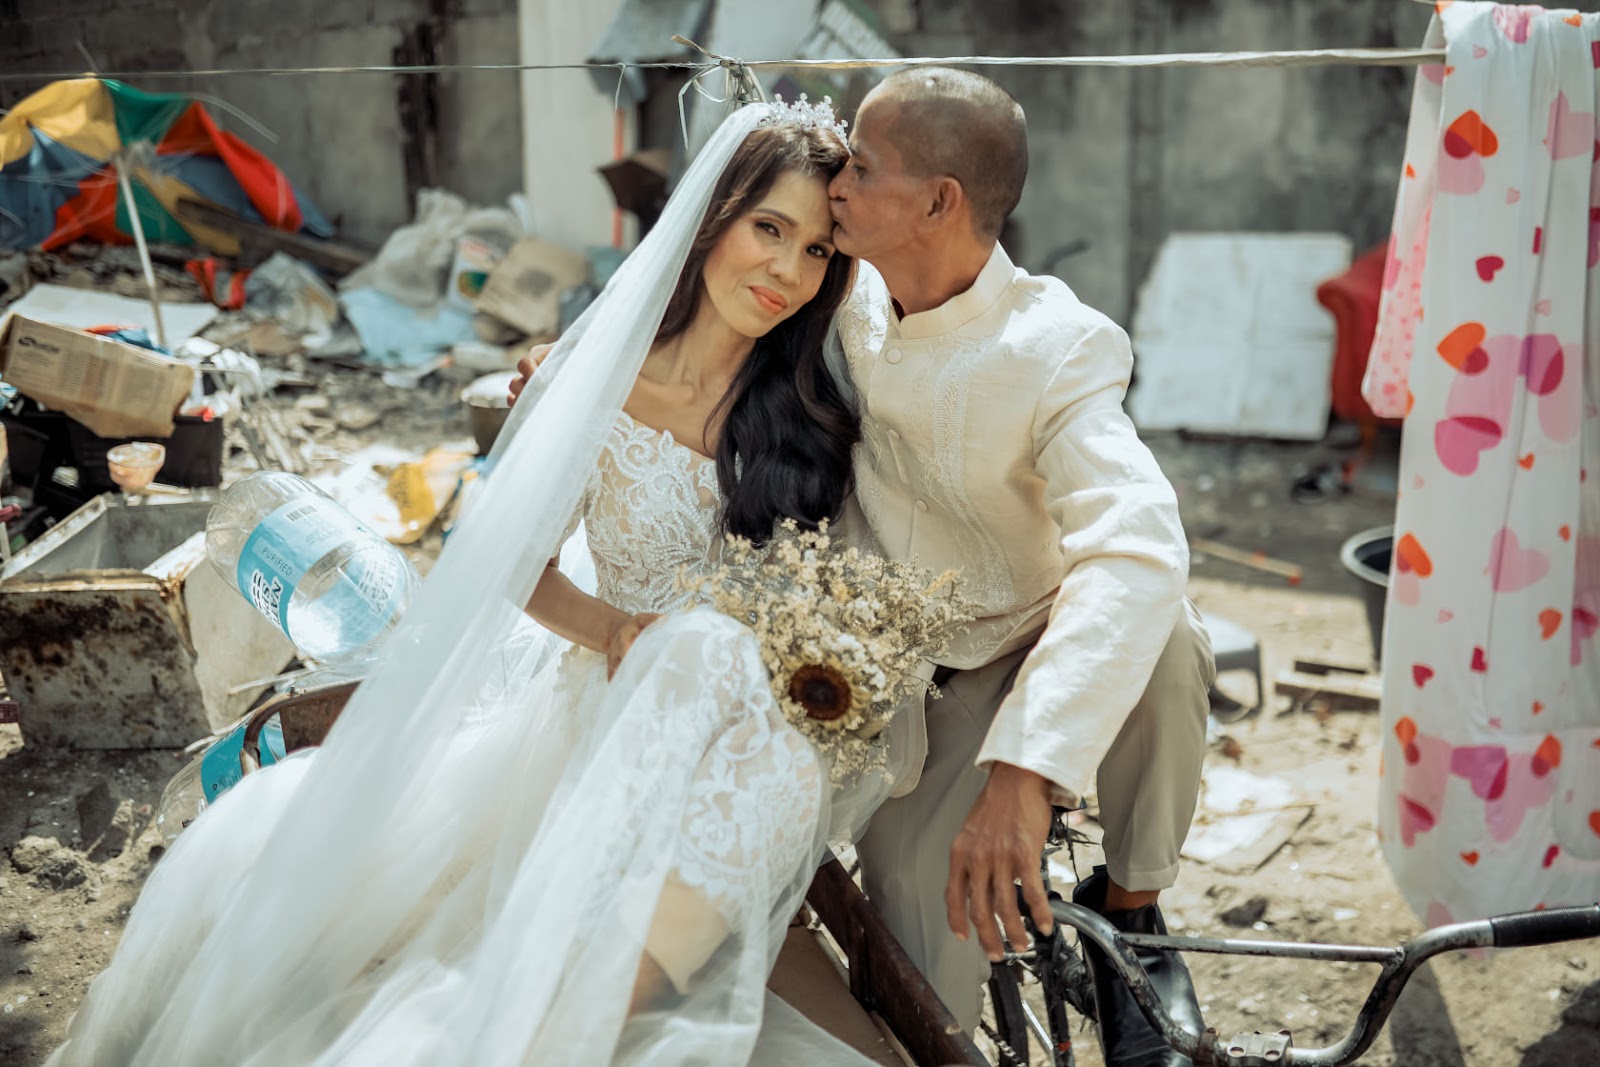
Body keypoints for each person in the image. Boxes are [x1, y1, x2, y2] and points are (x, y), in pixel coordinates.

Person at [47, 101, 902, 1067]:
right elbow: (518, 565)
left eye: (818, 250)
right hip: (611, 707)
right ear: (711, 222)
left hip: (754, 722)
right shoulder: (597, 380)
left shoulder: (808, 402)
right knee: (485, 938)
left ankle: (579, 1016)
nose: (789, 271)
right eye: (769, 229)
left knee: (764, 783)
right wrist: (616, 631)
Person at [825, 68, 1215, 1067]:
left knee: (1165, 639)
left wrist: (1028, 766)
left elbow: (1136, 542)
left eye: (860, 166)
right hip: (919, 682)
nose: (836, 182)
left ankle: (1133, 917)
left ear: (938, 202)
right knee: (922, 1008)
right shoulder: (835, 290)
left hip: (1038, 641)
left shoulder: (1057, 345)